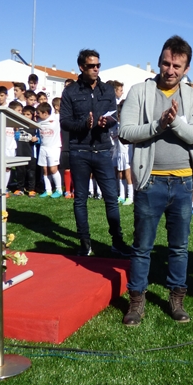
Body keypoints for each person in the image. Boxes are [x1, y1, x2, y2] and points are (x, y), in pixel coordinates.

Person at [118, 35, 193, 325]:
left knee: (179, 246)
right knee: (142, 246)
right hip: (150, 181)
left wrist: (175, 122)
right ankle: (136, 301)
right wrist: (159, 125)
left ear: (187, 68)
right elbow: (126, 132)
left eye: (177, 65)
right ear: (159, 62)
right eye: (166, 63)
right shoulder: (139, 91)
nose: (170, 70)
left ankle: (176, 299)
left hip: (182, 183)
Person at [60, 49, 131, 257]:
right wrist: (85, 123)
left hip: (102, 150)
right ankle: (85, 243)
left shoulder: (107, 90)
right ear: (81, 67)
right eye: (91, 66)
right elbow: (64, 121)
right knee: (80, 199)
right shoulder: (70, 92)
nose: (96, 69)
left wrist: (104, 122)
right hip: (79, 151)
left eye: (98, 65)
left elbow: (113, 116)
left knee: (111, 198)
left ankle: (117, 241)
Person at [36, 102, 63, 198]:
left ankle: (59, 190)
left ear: (46, 113)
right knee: (44, 169)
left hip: (54, 147)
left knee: (53, 169)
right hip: (43, 147)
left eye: (39, 113)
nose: (37, 114)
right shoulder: (38, 121)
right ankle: (48, 190)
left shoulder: (55, 119)